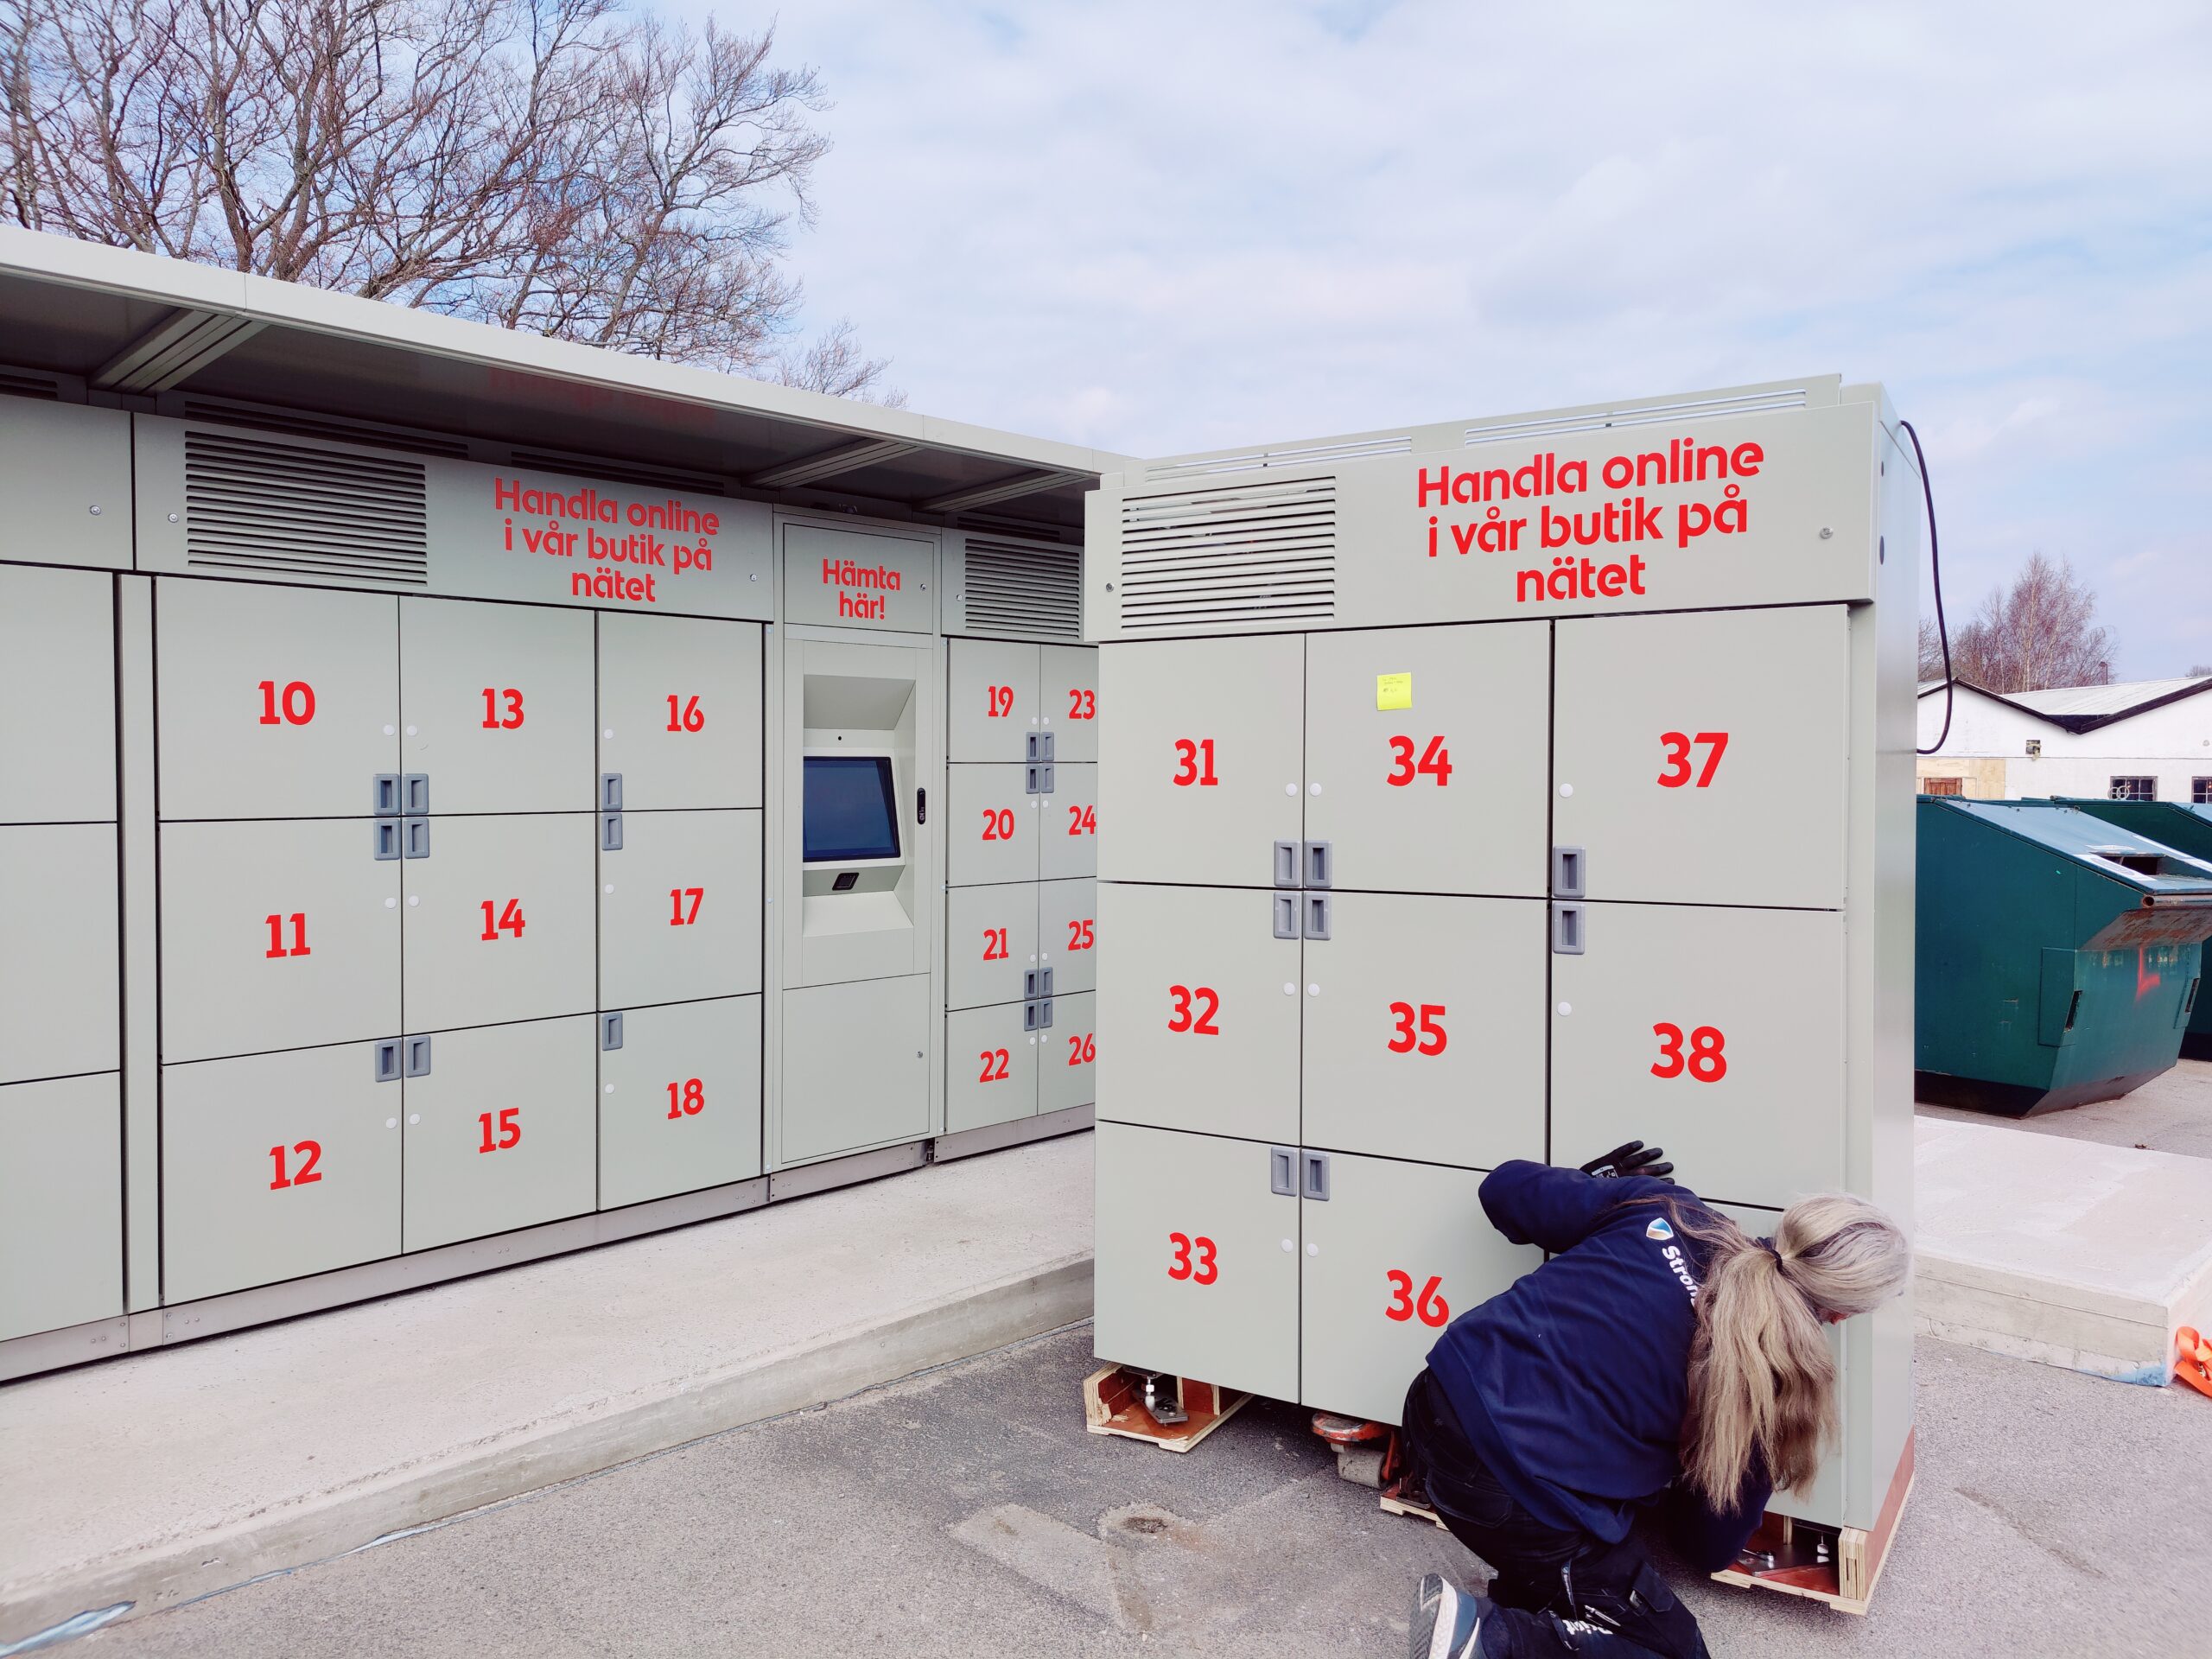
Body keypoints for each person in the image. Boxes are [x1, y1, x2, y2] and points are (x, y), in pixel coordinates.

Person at [1400, 1143, 1910, 1659]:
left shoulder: (1669, 1210)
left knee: (1579, 1561)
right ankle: (1484, 1638)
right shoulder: (1777, 1379)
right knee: (1675, 1651)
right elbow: (1707, 1546)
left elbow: (1503, 1188)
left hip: (1433, 1402)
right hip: (1503, 1489)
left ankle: (1537, 1602)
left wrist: (1599, 1188)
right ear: (1842, 1316)